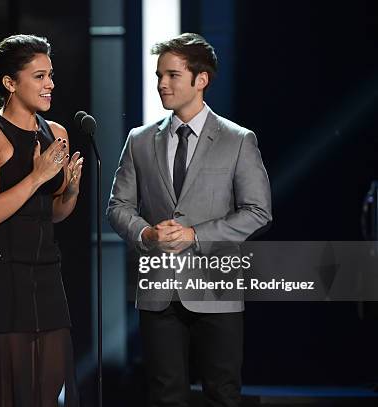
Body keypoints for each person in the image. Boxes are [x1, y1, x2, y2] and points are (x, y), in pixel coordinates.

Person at [107, 33, 272, 406]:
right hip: (158, 291)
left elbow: (258, 212)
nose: (162, 84)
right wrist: (147, 233)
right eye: (158, 75)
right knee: (165, 394)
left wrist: (195, 235)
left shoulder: (237, 140)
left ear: (201, 80)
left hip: (217, 288)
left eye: (172, 75)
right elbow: (117, 207)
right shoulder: (140, 140)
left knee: (223, 392)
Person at [0, 34, 83, 407]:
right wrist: (37, 177)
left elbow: (55, 214)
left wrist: (71, 191)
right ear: (10, 84)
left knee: (48, 389)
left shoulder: (57, 134)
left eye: (50, 75)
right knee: (9, 390)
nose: (50, 84)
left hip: (46, 274)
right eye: (39, 76)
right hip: (2, 280)